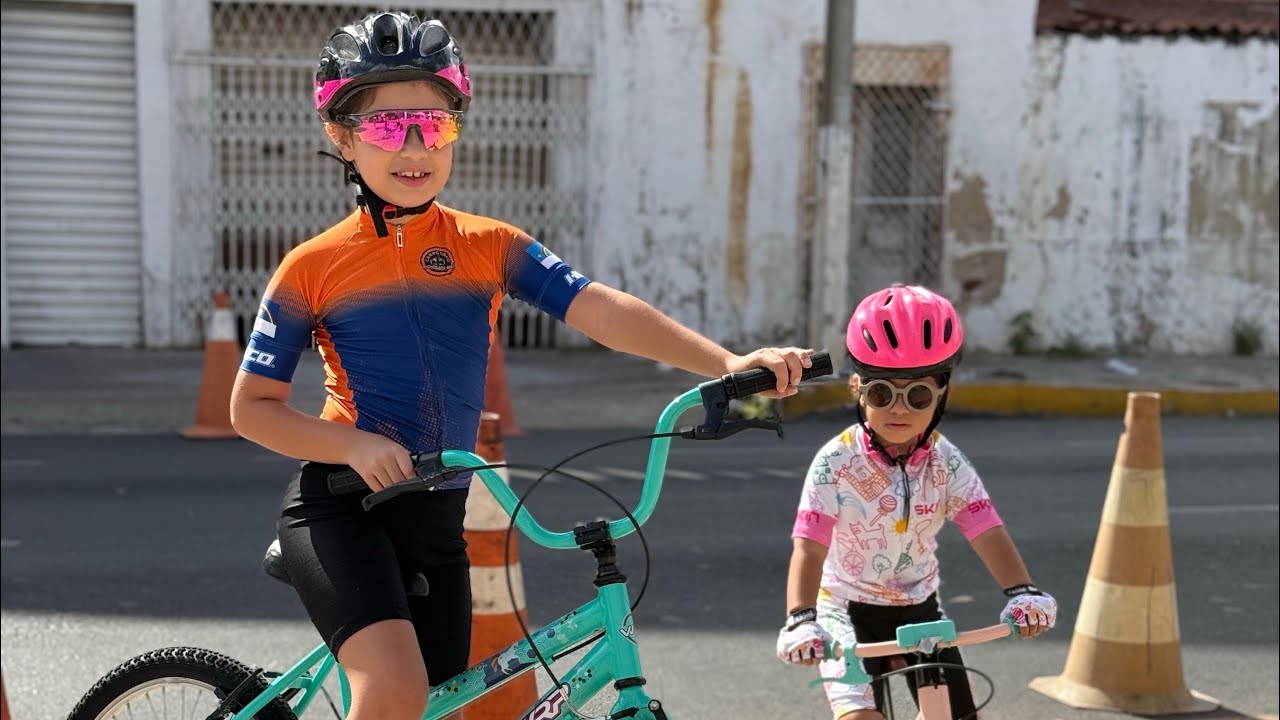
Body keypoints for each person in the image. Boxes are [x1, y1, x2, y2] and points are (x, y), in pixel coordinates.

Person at [228, 11, 812, 720]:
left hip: (436, 514)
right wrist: (352, 444)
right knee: (394, 692)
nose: (414, 146)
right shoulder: (311, 267)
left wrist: (724, 361)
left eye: (434, 124)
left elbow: (602, 310)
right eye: (387, 128)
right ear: (341, 138)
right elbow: (249, 407)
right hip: (342, 506)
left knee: (440, 703)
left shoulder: (489, 245)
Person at [774, 284, 1057, 720]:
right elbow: (809, 546)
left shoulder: (945, 461)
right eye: (882, 393)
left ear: (942, 393)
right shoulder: (836, 461)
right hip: (843, 611)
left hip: (921, 610)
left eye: (918, 395)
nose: (899, 409)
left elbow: (986, 529)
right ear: (857, 389)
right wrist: (801, 617)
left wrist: (1023, 592)